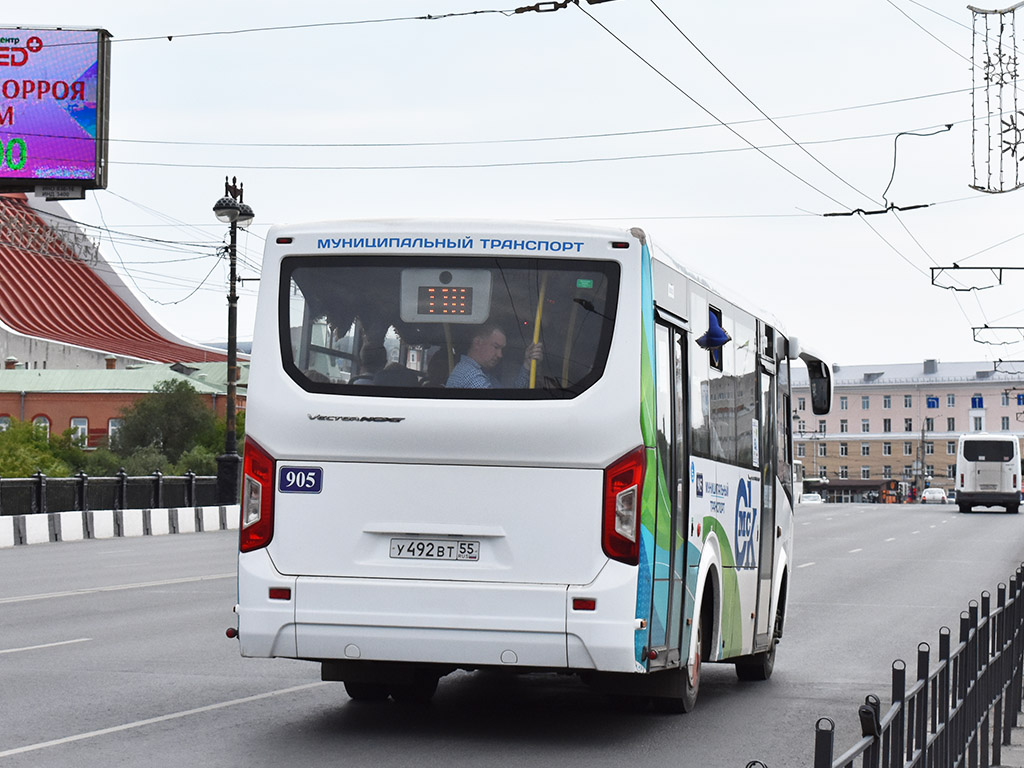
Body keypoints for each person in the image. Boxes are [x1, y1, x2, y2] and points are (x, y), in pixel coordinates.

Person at [445, 324, 543, 389]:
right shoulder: (471, 375)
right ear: (477, 343)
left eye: (502, 349)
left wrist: (527, 365)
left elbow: (509, 396)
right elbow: (503, 407)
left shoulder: (481, 372)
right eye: (496, 347)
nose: (500, 355)